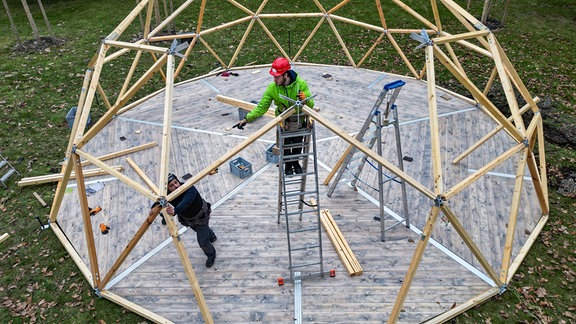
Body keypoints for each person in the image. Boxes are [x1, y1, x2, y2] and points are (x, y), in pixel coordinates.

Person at [233, 57, 315, 175]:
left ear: (286, 75)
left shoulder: (300, 84)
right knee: (286, 145)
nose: (274, 79)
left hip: (299, 121)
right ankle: (288, 165)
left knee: (298, 143)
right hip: (284, 122)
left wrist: (305, 99)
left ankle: (295, 163)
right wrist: (247, 119)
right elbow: (262, 107)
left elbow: (311, 105)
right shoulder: (272, 88)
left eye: (277, 76)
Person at [152, 173, 218, 268]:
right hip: (189, 220)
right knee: (201, 230)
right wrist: (153, 208)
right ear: (168, 189)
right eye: (171, 185)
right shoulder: (169, 195)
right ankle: (212, 237)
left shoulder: (189, 188)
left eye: (176, 182)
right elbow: (160, 201)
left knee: (203, 241)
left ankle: (211, 254)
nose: (175, 186)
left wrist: (175, 210)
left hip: (201, 216)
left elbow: (186, 201)